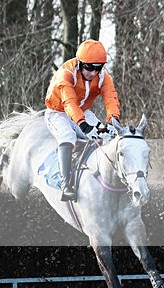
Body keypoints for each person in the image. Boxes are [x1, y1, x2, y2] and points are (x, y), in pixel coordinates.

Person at [44, 39, 121, 202]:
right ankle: (66, 185)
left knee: (104, 135)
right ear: (79, 63)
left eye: (98, 68)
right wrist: (83, 125)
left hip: (83, 111)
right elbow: (69, 102)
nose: (93, 73)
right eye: (89, 68)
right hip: (58, 112)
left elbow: (111, 98)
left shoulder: (103, 77)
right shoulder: (66, 73)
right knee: (67, 136)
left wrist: (114, 120)